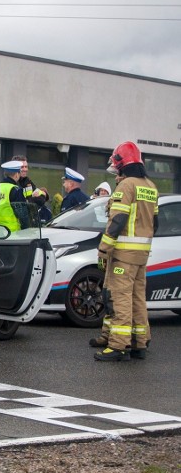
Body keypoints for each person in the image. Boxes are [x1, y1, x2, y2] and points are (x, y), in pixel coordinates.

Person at [93, 141, 158, 362]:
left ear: (123, 164)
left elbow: (117, 220)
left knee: (119, 298)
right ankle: (140, 343)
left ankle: (117, 346)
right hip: (141, 254)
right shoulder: (150, 186)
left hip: (123, 254)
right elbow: (155, 223)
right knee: (138, 298)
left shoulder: (126, 186)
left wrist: (104, 249)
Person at [0, 160, 29, 232]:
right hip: (10, 233)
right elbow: (22, 214)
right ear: (17, 174)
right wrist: (27, 230)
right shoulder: (16, 190)